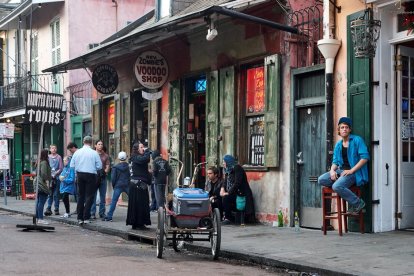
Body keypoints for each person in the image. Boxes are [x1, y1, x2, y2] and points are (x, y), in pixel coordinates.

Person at [318, 117, 369, 214]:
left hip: (354, 173)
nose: (344, 129)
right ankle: (341, 186)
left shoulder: (357, 140)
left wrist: (351, 171)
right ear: (339, 130)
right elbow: (335, 162)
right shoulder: (338, 144)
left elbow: (365, 158)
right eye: (342, 127)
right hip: (340, 172)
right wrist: (332, 171)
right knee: (321, 179)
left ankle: (358, 203)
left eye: (346, 127)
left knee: (336, 186)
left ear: (350, 129)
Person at [70, 136, 102, 225]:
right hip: (91, 175)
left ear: (83, 142)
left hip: (80, 174)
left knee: (81, 196)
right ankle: (86, 217)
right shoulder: (94, 153)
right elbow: (99, 166)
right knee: (89, 197)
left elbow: (72, 165)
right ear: (91, 143)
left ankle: (80, 217)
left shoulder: (77, 152)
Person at [220, 155, 256, 224]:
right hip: (234, 193)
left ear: (229, 162)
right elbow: (225, 181)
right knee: (219, 197)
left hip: (241, 193)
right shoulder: (227, 170)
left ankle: (229, 218)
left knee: (226, 198)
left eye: (224, 162)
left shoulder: (237, 168)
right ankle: (222, 216)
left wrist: (228, 193)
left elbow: (237, 183)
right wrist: (222, 189)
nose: (223, 163)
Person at [126, 142, 151, 230]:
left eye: (143, 147)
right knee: (139, 204)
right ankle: (138, 223)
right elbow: (145, 159)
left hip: (138, 184)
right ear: (136, 149)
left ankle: (138, 223)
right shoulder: (135, 157)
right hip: (138, 184)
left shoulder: (134, 158)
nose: (143, 149)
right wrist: (147, 151)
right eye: (141, 147)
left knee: (140, 204)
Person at [103, 151, 130, 222]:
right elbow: (130, 176)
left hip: (118, 185)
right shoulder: (128, 166)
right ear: (126, 158)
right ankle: (136, 215)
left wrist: (114, 185)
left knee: (114, 201)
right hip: (127, 185)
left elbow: (113, 178)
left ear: (118, 158)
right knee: (133, 200)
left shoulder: (115, 167)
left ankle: (109, 216)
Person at [90, 140, 111, 219]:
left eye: (101, 144)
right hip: (94, 177)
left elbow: (108, 165)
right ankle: (92, 213)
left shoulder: (105, 155)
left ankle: (102, 213)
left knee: (103, 196)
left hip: (102, 177)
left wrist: (105, 171)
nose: (100, 145)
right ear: (95, 145)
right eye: (99, 144)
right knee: (93, 196)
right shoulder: (92, 155)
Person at [44, 144, 63, 216]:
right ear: (50, 149)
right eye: (52, 148)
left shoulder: (59, 157)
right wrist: (50, 175)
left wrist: (55, 174)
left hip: (57, 178)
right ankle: (48, 208)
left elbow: (61, 168)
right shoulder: (48, 157)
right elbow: (47, 167)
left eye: (55, 148)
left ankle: (56, 209)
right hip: (50, 178)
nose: (54, 149)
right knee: (50, 194)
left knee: (56, 194)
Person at [35, 149, 52, 225]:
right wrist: (47, 181)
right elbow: (44, 174)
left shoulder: (39, 162)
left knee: (38, 202)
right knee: (41, 201)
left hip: (37, 183)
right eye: (48, 154)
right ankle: (40, 218)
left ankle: (38, 217)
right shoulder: (44, 162)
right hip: (42, 184)